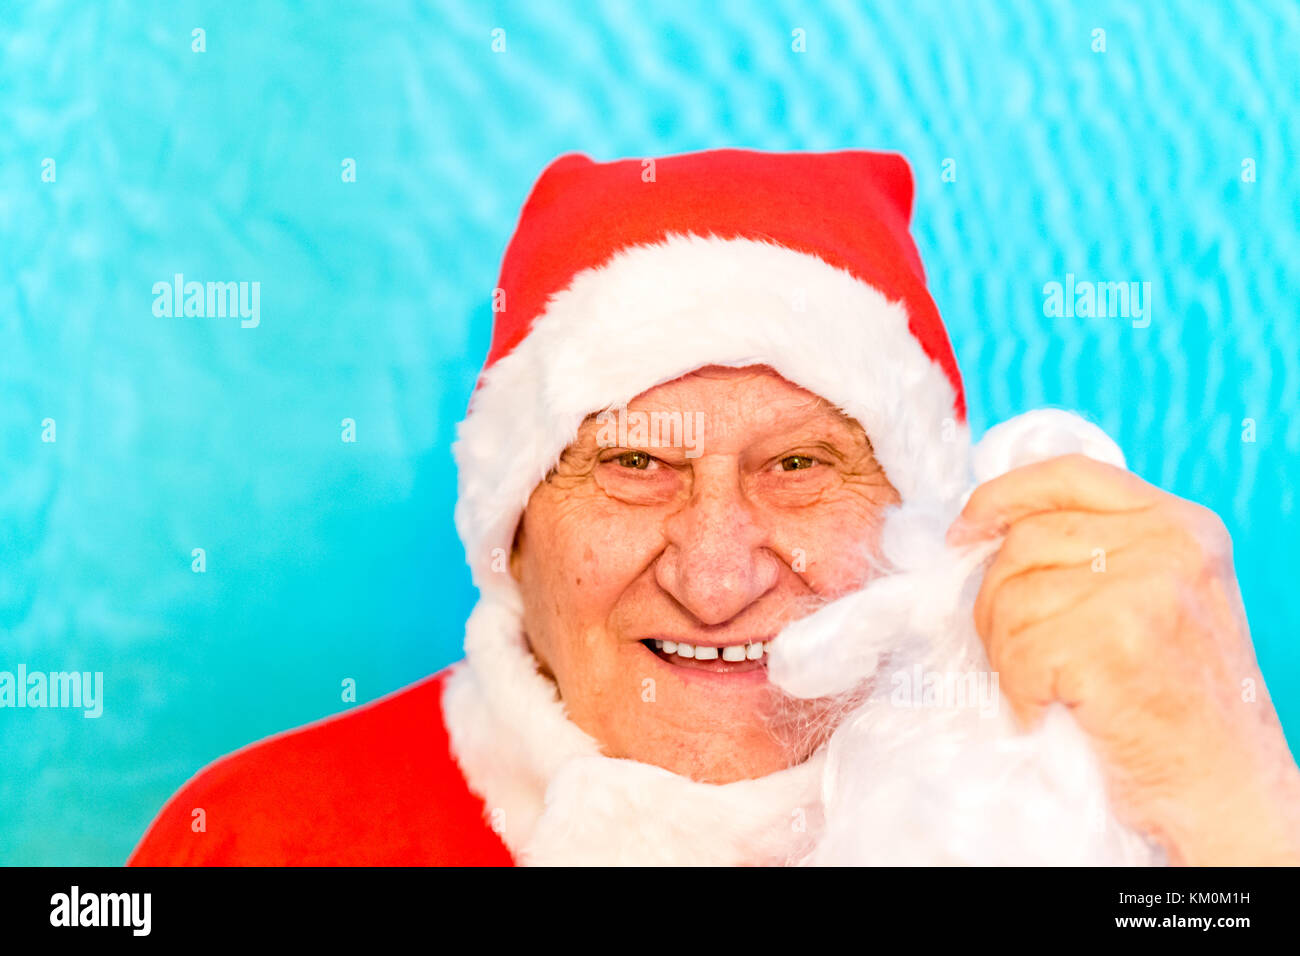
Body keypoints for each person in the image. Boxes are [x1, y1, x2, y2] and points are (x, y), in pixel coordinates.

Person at [129, 148, 1300, 866]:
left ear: (931, 527)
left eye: (800, 466)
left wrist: (1246, 814)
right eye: (634, 463)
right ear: (511, 528)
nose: (718, 571)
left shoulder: (1117, 826)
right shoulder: (255, 840)